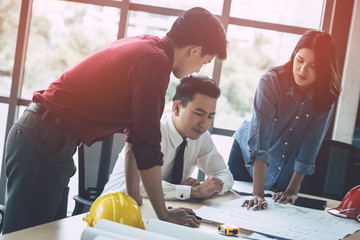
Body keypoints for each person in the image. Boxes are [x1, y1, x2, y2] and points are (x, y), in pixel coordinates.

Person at [3, 7, 227, 233]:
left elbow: (134, 141)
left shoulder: (149, 48)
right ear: (194, 50)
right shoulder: (154, 61)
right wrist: (164, 214)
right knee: (25, 236)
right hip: (43, 139)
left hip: (50, 139)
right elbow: (146, 145)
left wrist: (134, 197)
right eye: (204, 62)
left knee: (47, 233)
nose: (198, 69)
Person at [228, 30, 342, 210]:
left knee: (276, 215)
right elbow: (260, 141)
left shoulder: (326, 96)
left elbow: (310, 146)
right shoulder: (271, 81)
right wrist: (257, 194)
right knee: (238, 211)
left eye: (313, 66)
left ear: (324, 69)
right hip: (247, 159)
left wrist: (292, 190)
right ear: (294, 55)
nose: (303, 70)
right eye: (300, 60)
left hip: (284, 170)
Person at [102, 75, 234, 202]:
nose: (204, 124)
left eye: (210, 117)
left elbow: (224, 174)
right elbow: (138, 186)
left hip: (161, 209)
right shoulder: (152, 131)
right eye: (199, 114)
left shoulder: (201, 136)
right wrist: (192, 192)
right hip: (116, 206)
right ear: (176, 108)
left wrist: (206, 188)